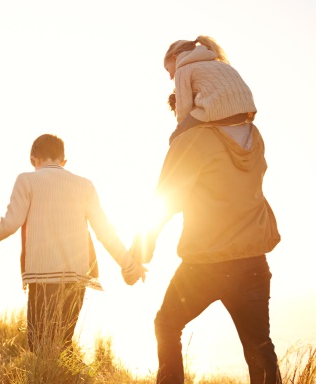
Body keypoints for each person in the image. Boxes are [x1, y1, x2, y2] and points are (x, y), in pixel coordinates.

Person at [130, 39, 282, 384]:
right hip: (253, 261)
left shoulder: (192, 141)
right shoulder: (254, 137)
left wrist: (140, 252)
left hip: (207, 262)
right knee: (260, 347)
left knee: (166, 324)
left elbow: (163, 201)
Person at [0, 134, 145, 353]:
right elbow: (105, 232)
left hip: (42, 277)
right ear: (64, 161)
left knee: (40, 347)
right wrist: (129, 265)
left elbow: (9, 224)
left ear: (34, 159)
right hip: (77, 278)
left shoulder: (27, 180)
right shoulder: (85, 185)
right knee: (62, 346)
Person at [164, 35, 257, 144]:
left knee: (175, 138)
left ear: (175, 58)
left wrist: (182, 129)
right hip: (245, 112)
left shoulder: (183, 69)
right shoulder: (220, 64)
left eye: (168, 69)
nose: (170, 76)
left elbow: (183, 107)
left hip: (219, 111)